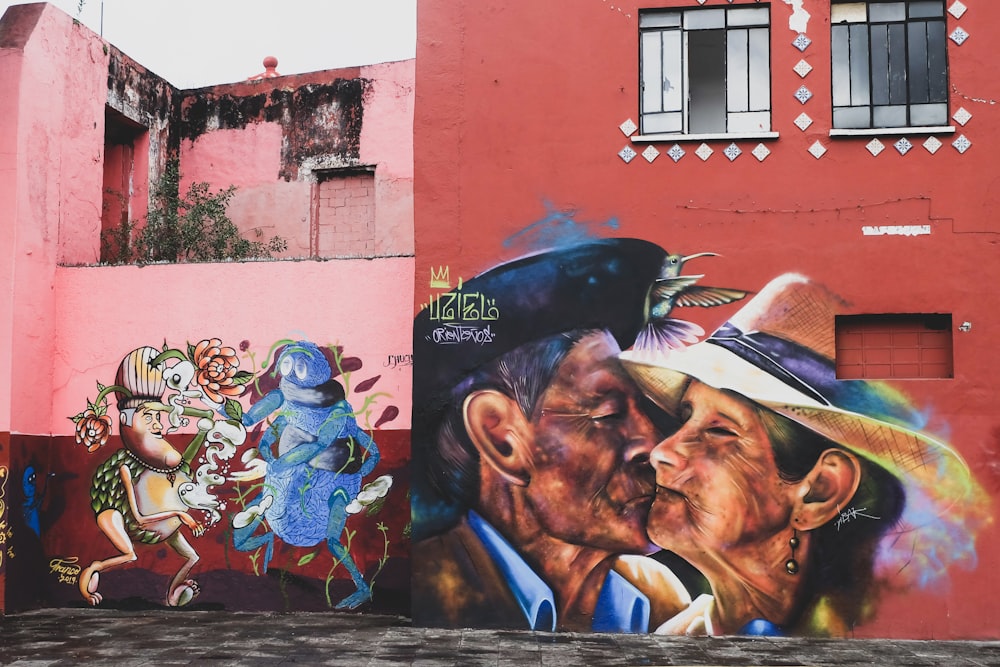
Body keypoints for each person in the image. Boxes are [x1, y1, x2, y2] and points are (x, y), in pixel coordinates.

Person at [619, 274, 988, 636]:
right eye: (684, 419)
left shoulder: (849, 645)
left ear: (820, 490)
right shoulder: (681, 636)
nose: (662, 452)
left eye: (720, 431)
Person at [411, 239, 697, 632]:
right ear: (501, 438)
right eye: (608, 414)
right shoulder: (439, 590)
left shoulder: (655, 598)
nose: (654, 446)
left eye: (649, 412)